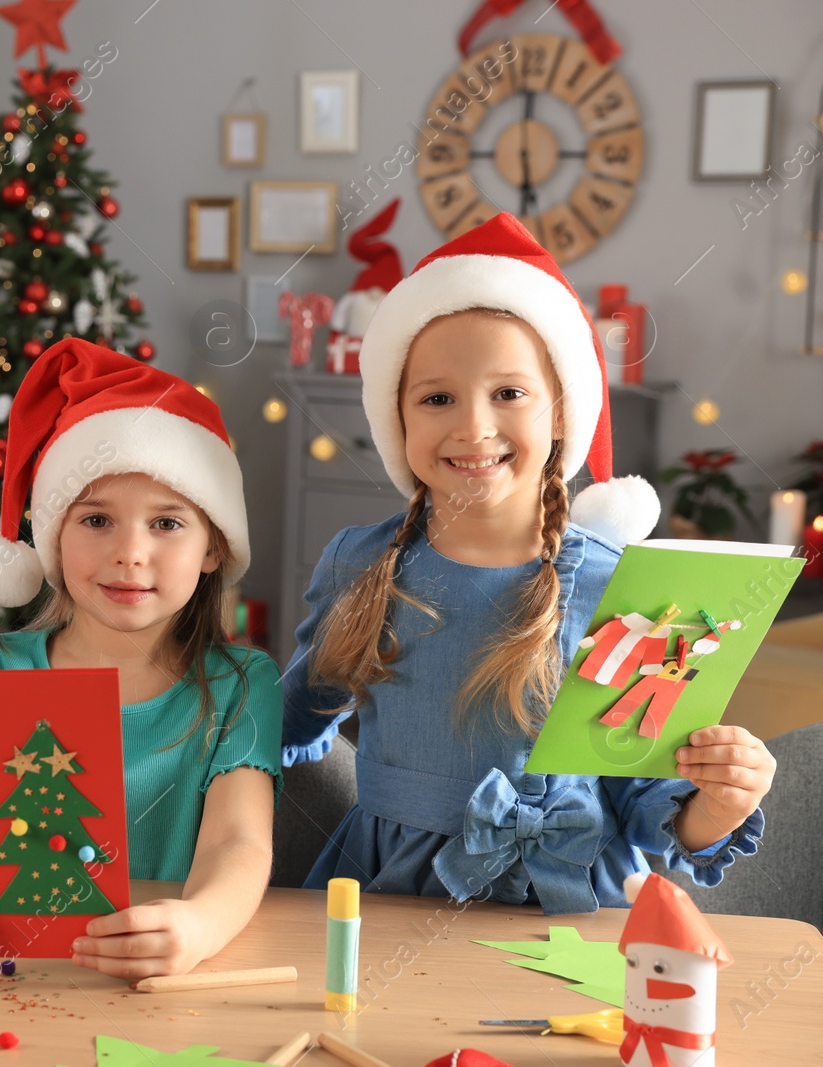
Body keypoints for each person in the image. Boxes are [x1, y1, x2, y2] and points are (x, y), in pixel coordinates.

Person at [281, 215, 773, 913]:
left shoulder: (619, 583)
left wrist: (721, 799)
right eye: (437, 397)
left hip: (571, 906)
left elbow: (652, 805)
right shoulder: (359, 564)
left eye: (508, 393)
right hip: (388, 898)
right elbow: (283, 728)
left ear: (562, 413)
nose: (473, 426)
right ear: (399, 419)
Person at [0, 338, 281, 978]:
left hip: (150, 985)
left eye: (167, 523)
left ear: (213, 547)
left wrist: (200, 924)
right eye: (96, 521)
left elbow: (239, 841)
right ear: (54, 539)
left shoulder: (241, 684)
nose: (130, 553)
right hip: (4, 980)